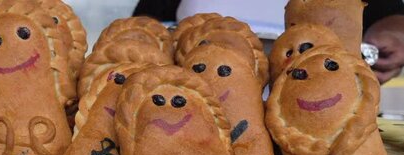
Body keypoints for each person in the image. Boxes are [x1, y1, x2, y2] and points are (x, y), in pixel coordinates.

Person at [133, 0, 404, 84]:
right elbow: (144, 28)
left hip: (324, 110)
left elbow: (392, 16)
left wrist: (395, 33)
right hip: (192, 106)